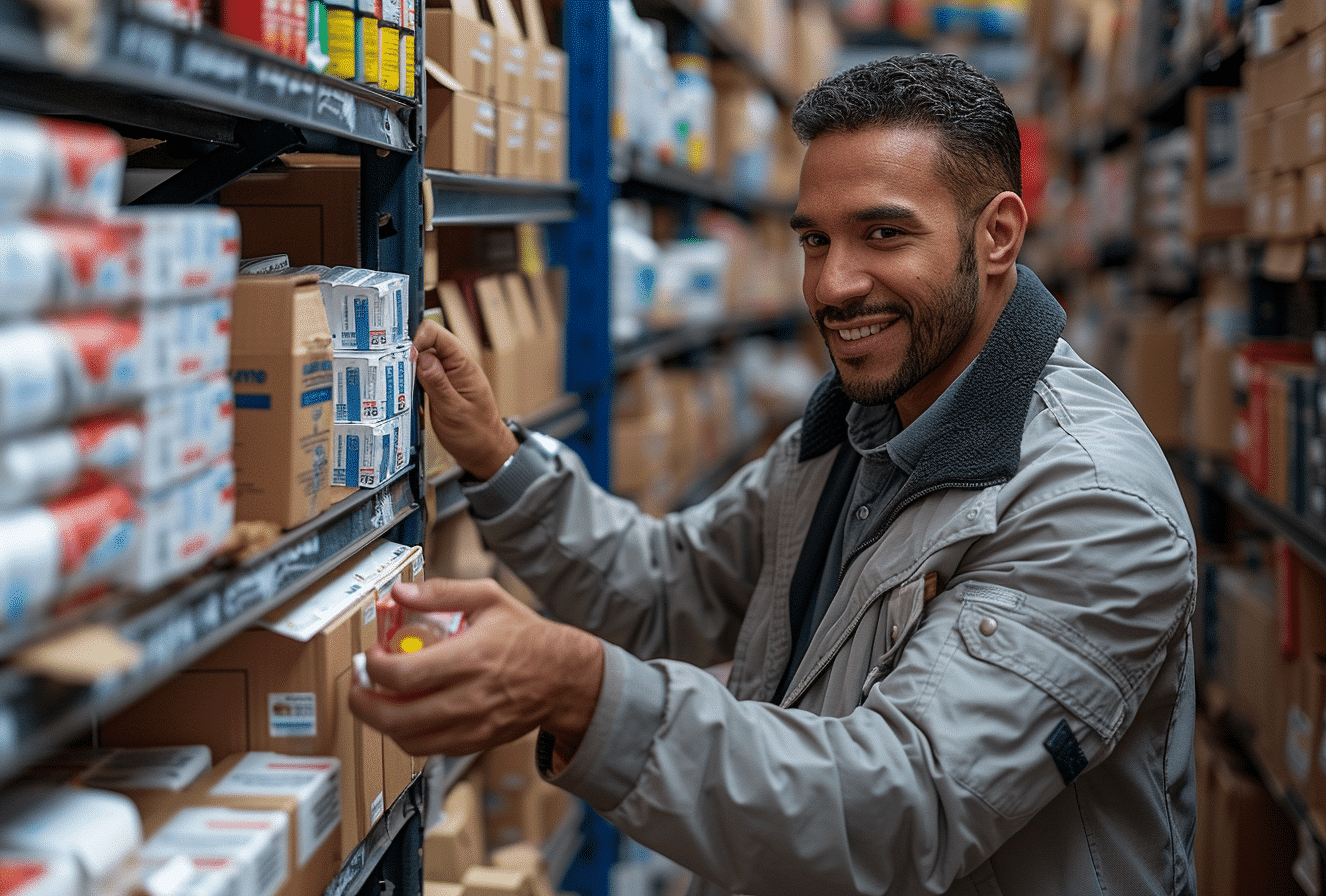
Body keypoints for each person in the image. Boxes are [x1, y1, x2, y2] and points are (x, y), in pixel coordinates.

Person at [350, 53, 1198, 896]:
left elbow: (903, 807)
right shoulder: (851, 431)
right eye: (815, 240)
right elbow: (668, 586)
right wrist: (498, 456)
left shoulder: (1093, 504)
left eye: (884, 233)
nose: (832, 284)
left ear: (998, 235)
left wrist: (580, 689)